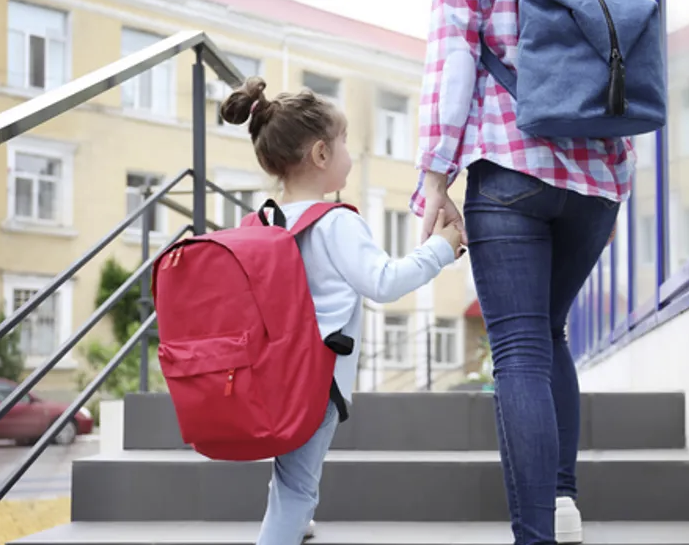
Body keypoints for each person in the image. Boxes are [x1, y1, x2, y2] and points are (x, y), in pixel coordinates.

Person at [410, 1, 634, 544]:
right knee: (549, 332)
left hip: (511, 159)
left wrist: (436, 175)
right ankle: (562, 501)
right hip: (598, 174)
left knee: (520, 351)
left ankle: (537, 537)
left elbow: (453, 55)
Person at [221, 77, 464, 545]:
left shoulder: (261, 221)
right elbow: (384, 282)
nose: (351, 151)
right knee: (296, 488)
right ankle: (285, 529)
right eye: (345, 140)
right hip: (315, 380)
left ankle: (294, 523)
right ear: (320, 154)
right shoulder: (337, 222)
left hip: (270, 374)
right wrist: (440, 248)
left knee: (290, 476)